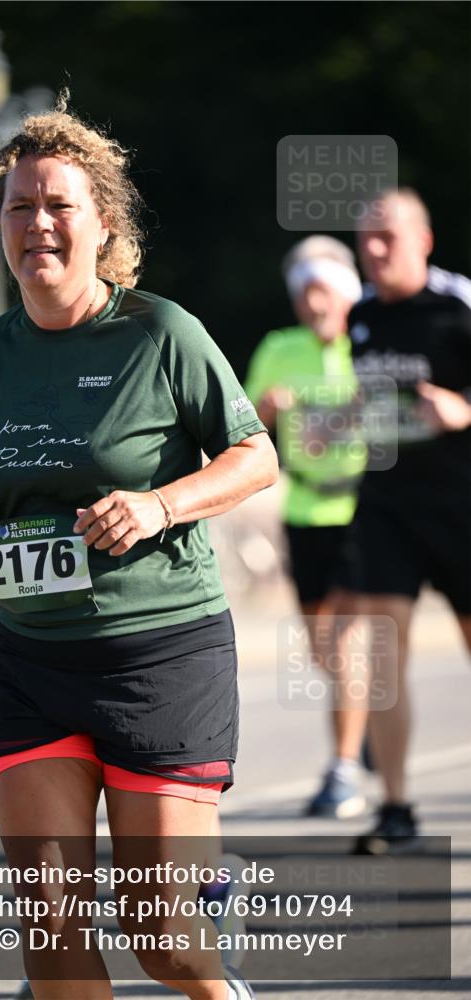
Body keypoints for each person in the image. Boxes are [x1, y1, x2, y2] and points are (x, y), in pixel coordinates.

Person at [0, 96, 278, 1000]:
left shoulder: (159, 332)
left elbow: (256, 456)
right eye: (18, 206)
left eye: (58, 205)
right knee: (51, 931)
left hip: (161, 660)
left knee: (164, 942)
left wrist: (158, 505)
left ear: (100, 222)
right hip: (31, 663)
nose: (37, 223)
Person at [349, 189, 471, 854]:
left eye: (386, 238)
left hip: (461, 507)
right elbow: (371, 396)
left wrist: (461, 409)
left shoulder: (457, 305)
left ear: (422, 242)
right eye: (364, 239)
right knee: (380, 660)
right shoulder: (359, 313)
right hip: (387, 507)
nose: (372, 251)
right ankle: (393, 806)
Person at [243, 236, 368, 818]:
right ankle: (359, 720)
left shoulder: (367, 344)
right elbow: (239, 431)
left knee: (346, 644)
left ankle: (343, 772)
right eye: (306, 295)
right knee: (323, 646)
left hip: (365, 510)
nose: (315, 305)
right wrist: (266, 409)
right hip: (304, 510)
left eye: (325, 293)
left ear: (344, 295)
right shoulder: (277, 347)